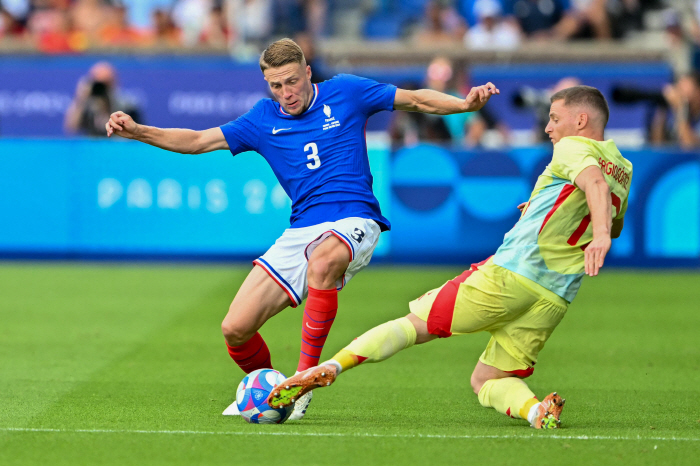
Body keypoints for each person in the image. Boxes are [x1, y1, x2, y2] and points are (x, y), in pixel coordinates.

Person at [104, 38, 499, 420]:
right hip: (301, 231)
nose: (286, 92)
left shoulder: (346, 91)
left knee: (324, 257)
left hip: (354, 218)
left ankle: (303, 381)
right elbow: (196, 141)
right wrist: (138, 130)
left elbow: (415, 99)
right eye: (276, 85)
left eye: (292, 81)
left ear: (308, 73)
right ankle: (272, 393)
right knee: (235, 328)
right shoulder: (262, 119)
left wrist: (464, 104)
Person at [268, 85, 633, 429]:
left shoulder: (573, 147)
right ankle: (538, 412)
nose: (549, 127)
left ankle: (329, 367)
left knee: (413, 325)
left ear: (580, 121)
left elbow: (595, 193)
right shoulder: (622, 168)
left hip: (511, 276)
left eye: (555, 118)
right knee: (486, 379)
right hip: (554, 297)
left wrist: (599, 236)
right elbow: (606, 215)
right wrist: (554, 211)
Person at [65, 61, 143, 136]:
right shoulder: (88, 105)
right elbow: (71, 128)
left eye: (105, 83)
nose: (101, 88)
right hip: (93, 146)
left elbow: (137, 134)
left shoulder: (127, 105)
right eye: (98, 83)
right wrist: (80, 98)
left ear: (113, 82)